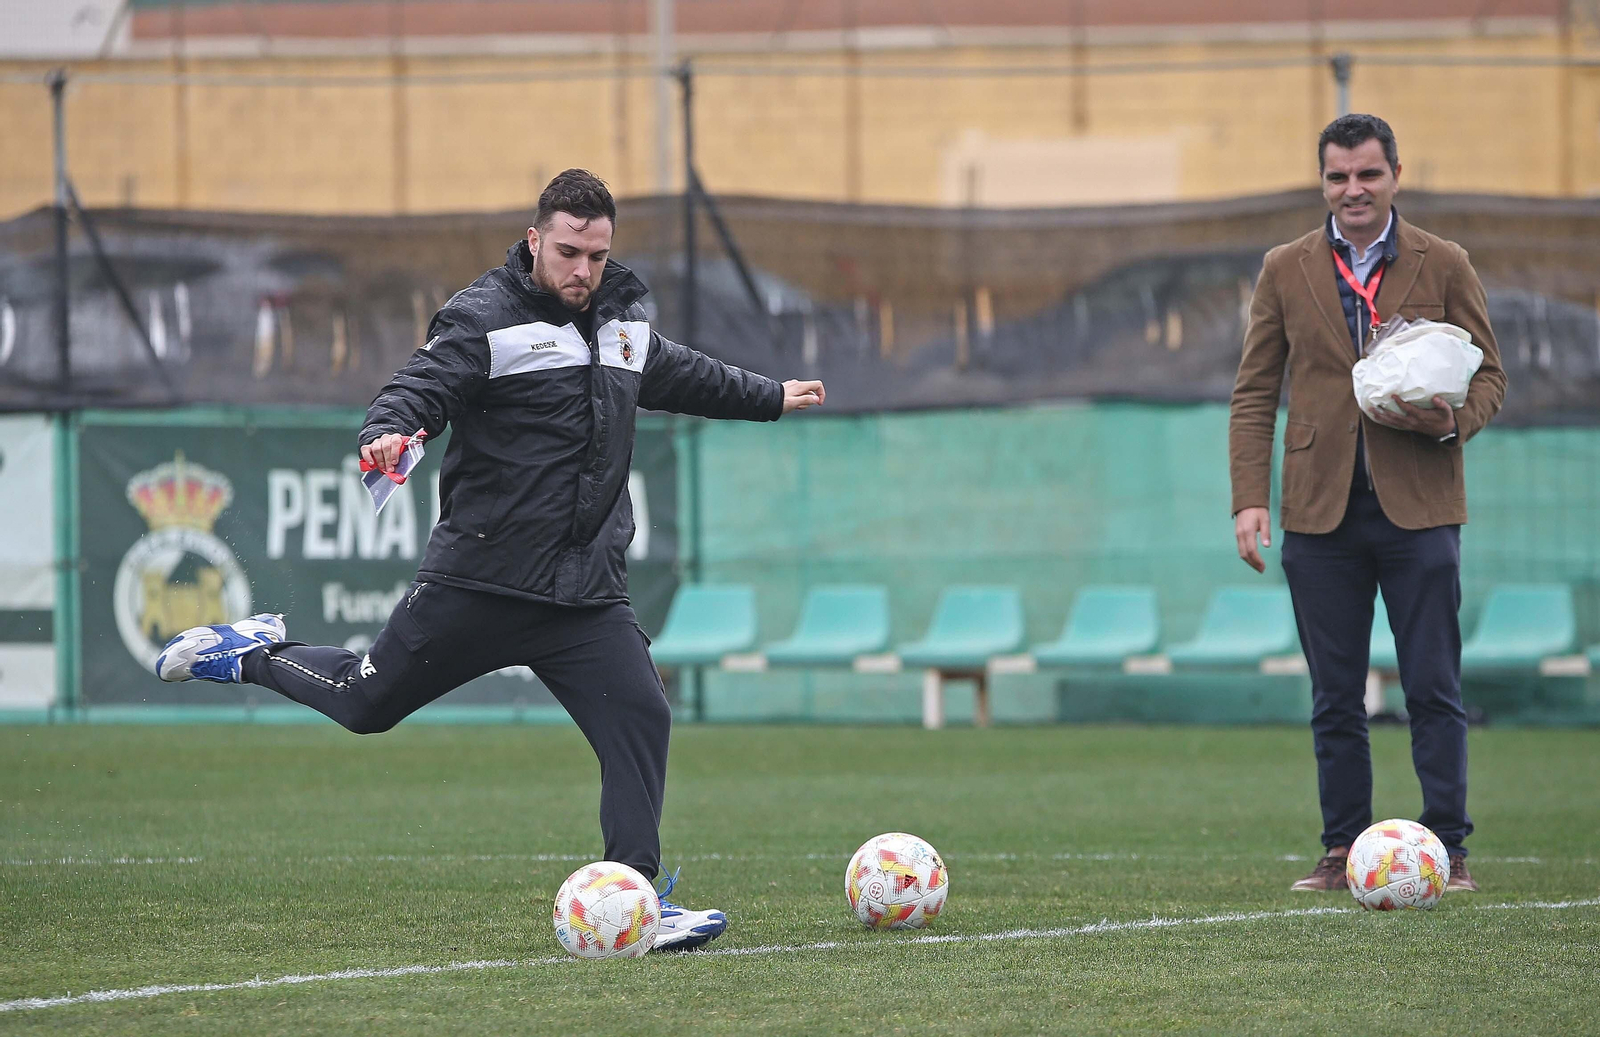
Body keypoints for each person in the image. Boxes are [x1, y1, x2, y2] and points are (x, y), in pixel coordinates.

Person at [156, 169, 826, 950]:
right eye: (570, 252)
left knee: (641, 714)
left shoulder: (621, 325)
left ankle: (637, 897)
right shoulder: (484, 318)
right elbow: (421, 384)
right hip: (481, 580)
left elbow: (685, 375)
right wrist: (390, 428)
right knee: (365, 706)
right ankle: (252, 652)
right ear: (536, 240)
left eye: (598, 256)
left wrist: (770, 395)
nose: (584, 271)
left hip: (583, 593)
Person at [1229, 115, 1506, 894]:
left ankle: (1448, 846)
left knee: (1431, 685)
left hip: (1419, 503)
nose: (1353, 190)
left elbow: (1490, 375)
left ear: (1394, 176)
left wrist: (1455, 420)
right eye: (1338, 177)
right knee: (1333, 695)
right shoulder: (1285, 268)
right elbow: (1254, 392)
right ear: (1322, 182)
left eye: (1368, 175)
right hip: (1319, 514)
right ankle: (1340, 847)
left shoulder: (1443, 262)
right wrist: (1250, 498)